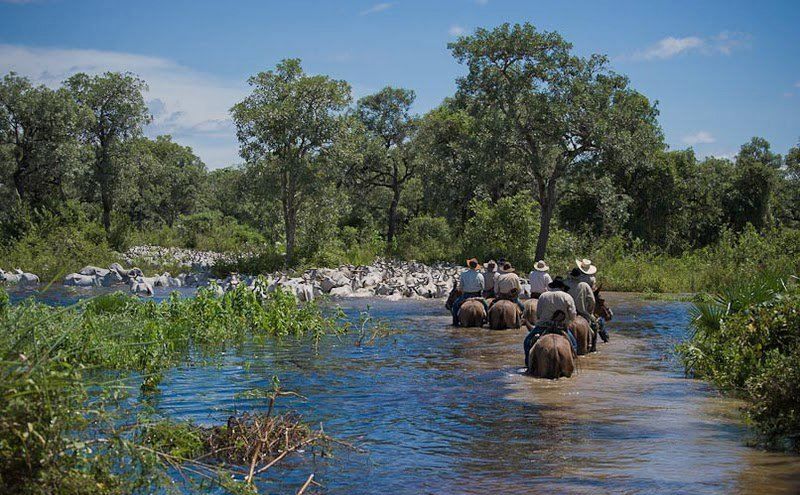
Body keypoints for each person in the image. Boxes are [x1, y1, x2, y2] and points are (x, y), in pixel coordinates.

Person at [566, 267, 598, 350]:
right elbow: (592, 301)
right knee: (595, 325)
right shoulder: (584, 285)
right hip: (582, 313)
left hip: (566, 314)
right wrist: (589, 312)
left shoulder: (565, 283)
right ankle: (592, 347)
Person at [452, 258, 487, 326]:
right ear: (476, 266)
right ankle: (487, 318)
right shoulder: (480, 275)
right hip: (477, 296)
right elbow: (483, 287)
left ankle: (455, 321)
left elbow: (461, 287)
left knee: (455, 306)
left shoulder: (463, 274)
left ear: (469, 266)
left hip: (466, 296)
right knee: (486, 305)